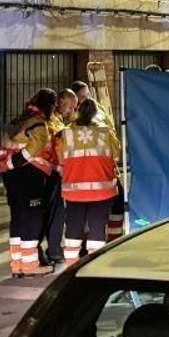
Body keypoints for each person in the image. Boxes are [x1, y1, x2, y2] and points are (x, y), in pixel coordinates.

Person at [0, 89, 58, 277]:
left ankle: (17, 265)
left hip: (11, 177)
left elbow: (5, 147)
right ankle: (31, 266)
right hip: (29, 176)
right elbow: (34, 149)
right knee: (33, 218)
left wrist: (9, 165)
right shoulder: (38, 124)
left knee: (18, 218)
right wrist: (15, 163)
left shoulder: (18, 121)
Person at [53, 99, 121, 266]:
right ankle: (94, 268)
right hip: (101, 191)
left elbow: (60, 159)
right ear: (96, 114)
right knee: (97, 230)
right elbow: (117, 156)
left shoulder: (65, 134)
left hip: (74, 192)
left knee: (73, 229)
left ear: (78, 112)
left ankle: (71, 267)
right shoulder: (106, 133)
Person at [38, 89, 77, 268]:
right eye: (70, 106)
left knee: (57, 214)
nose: (72, 110)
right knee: (51, 214)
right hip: (50, 173)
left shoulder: (57, 119)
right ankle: (51, 250)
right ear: (61, 102)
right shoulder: (51, 120)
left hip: (55, 172)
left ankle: (54, 249)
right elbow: (55, 145)